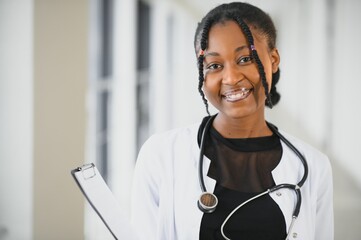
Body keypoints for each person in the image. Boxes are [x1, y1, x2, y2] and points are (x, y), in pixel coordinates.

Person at [130, 2, 334, 240]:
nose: (230, 78)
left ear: (274, 59)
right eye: (214, 65)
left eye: (245, 59)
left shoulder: (313, 167)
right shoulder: (160, 155)